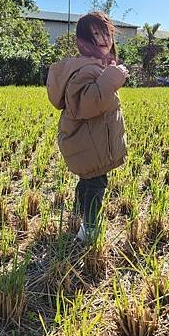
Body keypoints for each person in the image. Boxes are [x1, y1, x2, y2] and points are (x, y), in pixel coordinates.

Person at [46, 12, 129, 244]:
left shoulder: (94, 67)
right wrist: (114, 75)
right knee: (95, 185)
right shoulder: (86, 71)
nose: (103, 39)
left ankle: (76, 217)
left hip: (88, 142)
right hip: (90, 145)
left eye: (106, 33)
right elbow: (86, 103)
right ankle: (89, 231)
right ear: (82, 42)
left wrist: (108, 71)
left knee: (87, 182)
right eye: (95, 34)